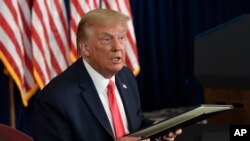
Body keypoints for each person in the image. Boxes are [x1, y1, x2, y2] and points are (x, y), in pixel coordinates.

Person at [32, 9, 182, 141]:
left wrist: (157, 130)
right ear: (85, 48)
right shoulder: (55, 99)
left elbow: (134, 122)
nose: (117, 47)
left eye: (121, 38)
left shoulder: (126, 76)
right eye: (107, 39)